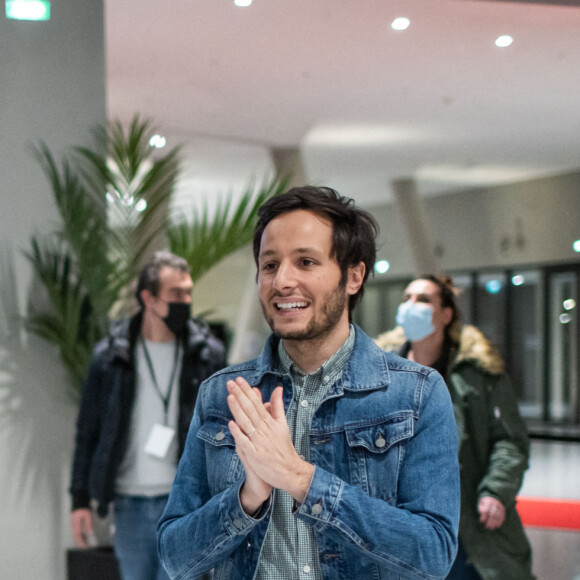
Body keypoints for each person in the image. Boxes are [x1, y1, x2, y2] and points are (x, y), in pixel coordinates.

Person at [157, 186, 460, 580]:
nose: (282, 281)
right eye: (269, 265)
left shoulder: (416, 393)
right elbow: (174, 556)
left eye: (305, 262)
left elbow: (432, 552)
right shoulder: (223, 395)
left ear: (353, 276)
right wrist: (248, 498)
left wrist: (301, 479)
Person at [69, 251, 226, 580]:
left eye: (188, 293)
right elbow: (88, 431)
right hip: (130, 503)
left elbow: (222, 429)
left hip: (186, 502)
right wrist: (80, 499)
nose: (185, 301)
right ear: (148, 298)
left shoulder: (207, 354)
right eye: (175, 294)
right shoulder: (111, 357)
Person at [375, 275, 535, 580]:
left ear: (446, 314)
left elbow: (510, 440)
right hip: (404, 521)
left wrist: (496, 492)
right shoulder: (384, 372)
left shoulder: (478, 372)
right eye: (406, 298)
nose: (410, 306)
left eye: (423, 300)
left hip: (466, 519)